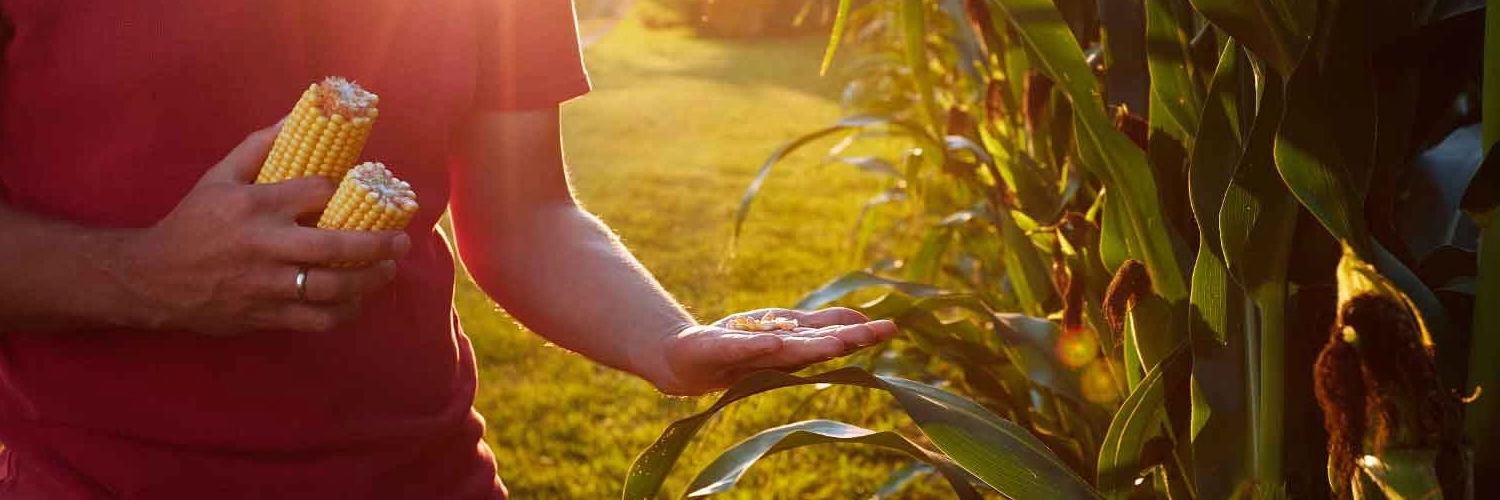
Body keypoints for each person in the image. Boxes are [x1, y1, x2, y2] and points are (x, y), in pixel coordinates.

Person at [0, 1, 897, 498]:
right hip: (92, 479)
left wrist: (666, 342)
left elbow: (524, 218)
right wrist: (150, 278)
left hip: (421, 476)